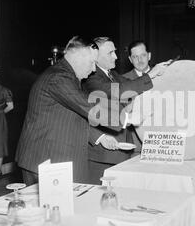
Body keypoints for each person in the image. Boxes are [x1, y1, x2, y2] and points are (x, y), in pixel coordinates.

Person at [15, 37, 133, 186]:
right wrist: (127, 118)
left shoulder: (67, 77)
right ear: (78, 56)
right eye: (92, 62)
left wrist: (100, 137)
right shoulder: (59, 77)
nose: (94, 69)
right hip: (45, 160)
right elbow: (88, 108)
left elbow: (72, 116)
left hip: (53, 158)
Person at [82, 37, 168, 184]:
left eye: (115, 52)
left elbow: (133, 85)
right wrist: (152, 74)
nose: (116, 56)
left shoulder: (112, 74)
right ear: (96, 56)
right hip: (103, 155)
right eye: (111, 53)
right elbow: (120, 91)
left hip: (121, 150)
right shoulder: (92, 78)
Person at [123, 40, 153, 155]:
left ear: (149, 56)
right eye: (135, 57)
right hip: (136, 146)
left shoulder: (162, 75)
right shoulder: (122, 81)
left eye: (143, 55)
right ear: (130, 59)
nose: (140, 60)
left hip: (163, 143)